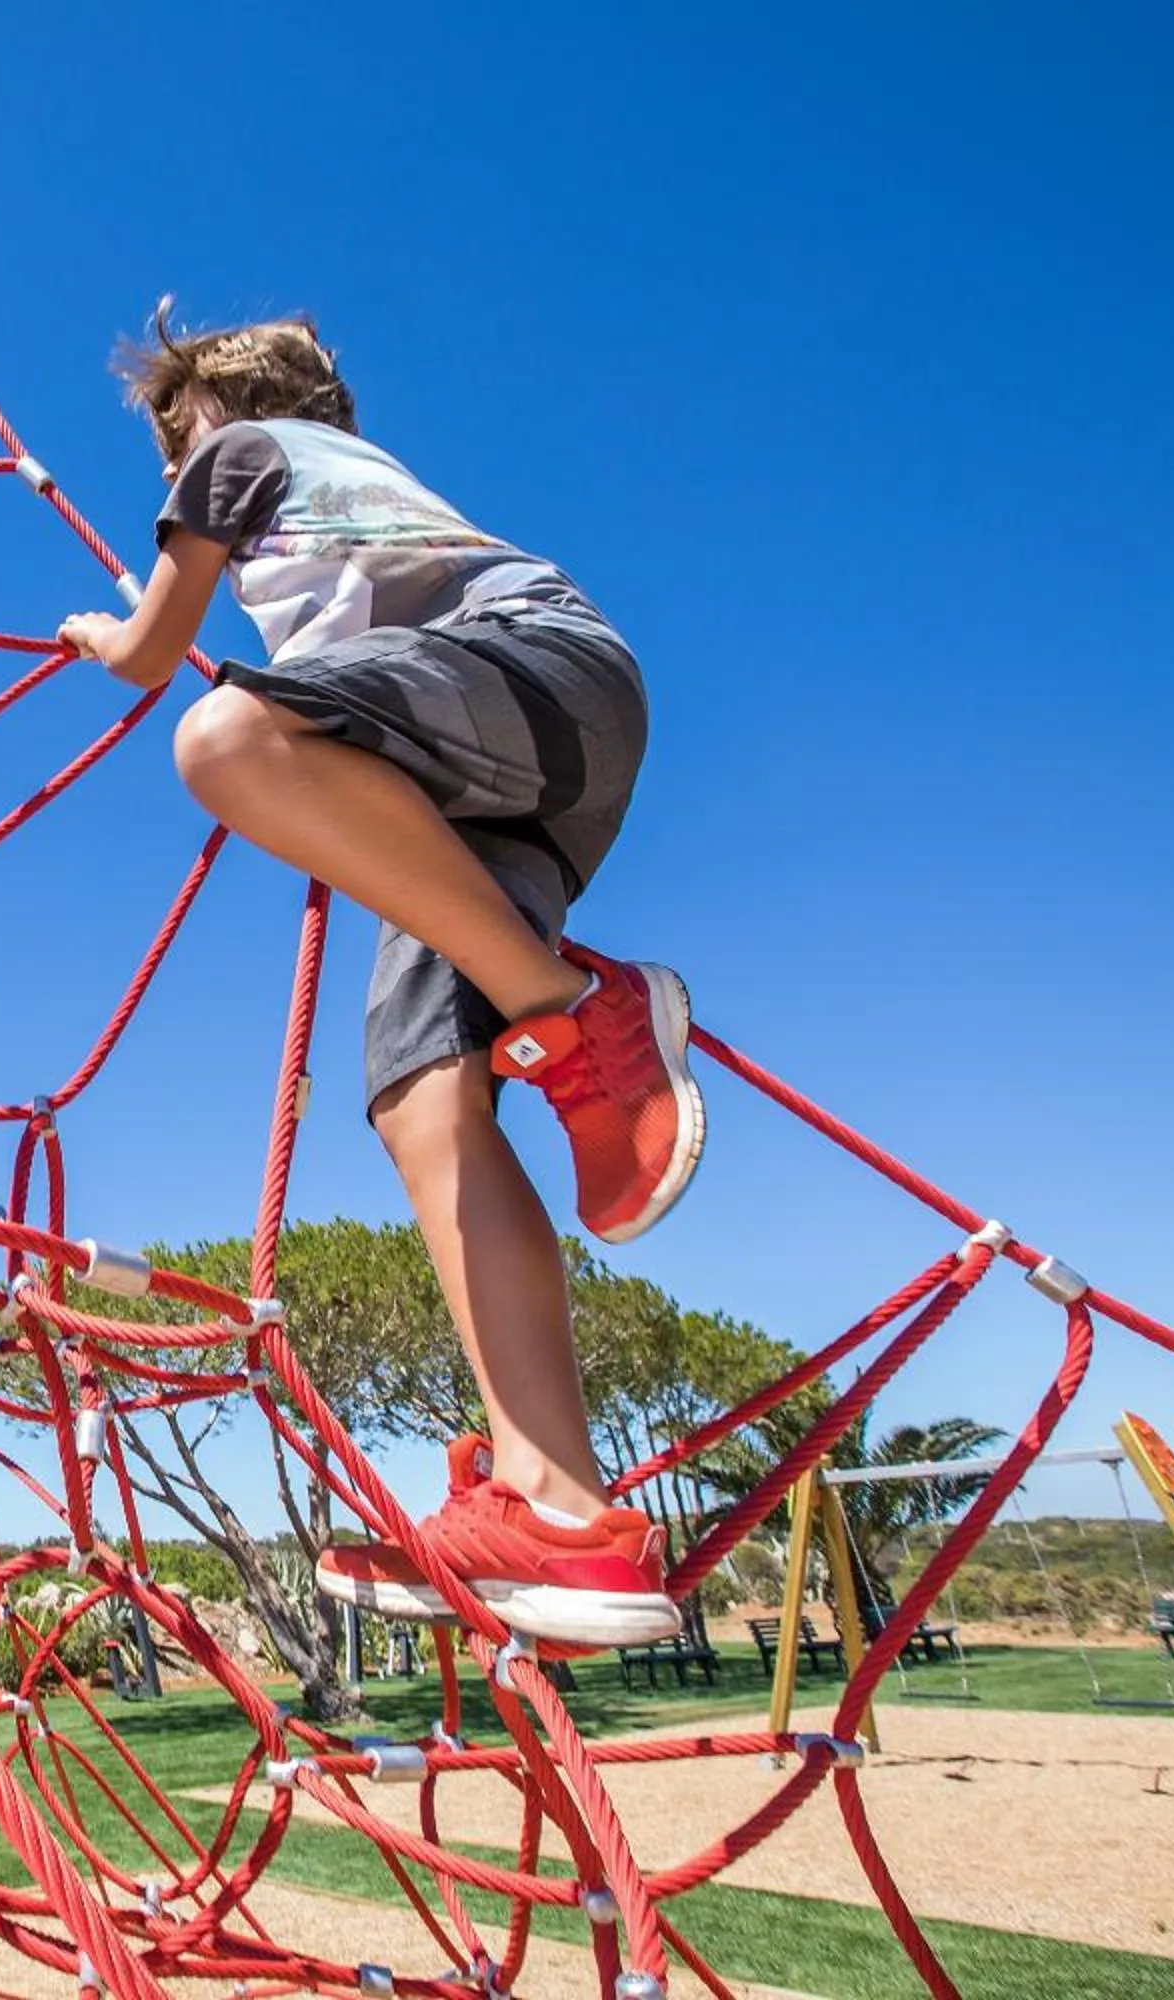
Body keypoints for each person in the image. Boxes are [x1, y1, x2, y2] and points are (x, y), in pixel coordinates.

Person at [54, 306, 700, 1648]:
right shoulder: (342, 491)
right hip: (477, 784)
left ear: (218, 418)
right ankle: (560, 1506)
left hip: (524, 671)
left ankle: (575, 1016)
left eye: (176, 438)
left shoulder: (245, 452)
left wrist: (100, 631)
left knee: (225, 741)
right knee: (420, 1101)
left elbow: (152, 655)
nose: (174, 467)